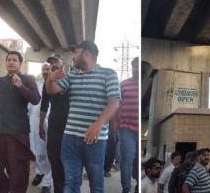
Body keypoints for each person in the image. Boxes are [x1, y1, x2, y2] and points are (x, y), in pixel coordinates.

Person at [45, 40, 121, 192]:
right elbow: (52, 90)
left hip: (95, 140)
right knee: (71, 183)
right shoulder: (72, 76)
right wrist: (50, 79)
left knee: (96, 185)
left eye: (76, 52)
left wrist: (98, 124)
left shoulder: (109, 74)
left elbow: (114, 103)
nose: (73, 56)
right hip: (70, 139)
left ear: (86, 53)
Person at [0, 51, 41, 193]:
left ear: (21, 63)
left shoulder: (28, 79)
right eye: (9, 60)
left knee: (18, 172)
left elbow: (36, 99)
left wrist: (20, 86)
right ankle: (4, 189)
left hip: (17, 134)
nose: (11, 62)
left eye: (15, 60)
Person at [40, 53, 70, 193]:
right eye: (51, 62)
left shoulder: (72, 79)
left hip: (71, 127)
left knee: (69, 162)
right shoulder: (48, 83)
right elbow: (44, 106)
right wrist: (41, 124)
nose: (53, 64)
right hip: (54, 128)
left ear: (63, 63)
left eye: (56, 61)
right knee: (55, 160)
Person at [117, 57, 140, 193]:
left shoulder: (144, 82)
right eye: (134, 66)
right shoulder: (123, 84)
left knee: (138, 159)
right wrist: (115, 122)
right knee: (127, 158)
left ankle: (138, 186)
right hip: (126, 127)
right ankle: (126, 188)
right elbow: (116, 104)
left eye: (138, 66)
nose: (136, 69)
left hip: (141, 129)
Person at [30, 63, 53, 192]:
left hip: (50, 123)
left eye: (47, 69)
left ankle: (47, 182)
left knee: (49, 153)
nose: (45, 71)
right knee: (33, 152)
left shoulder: (57, 84)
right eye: (43, 69)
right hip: (33, 121)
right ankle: (40, 171)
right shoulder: (36, 85)